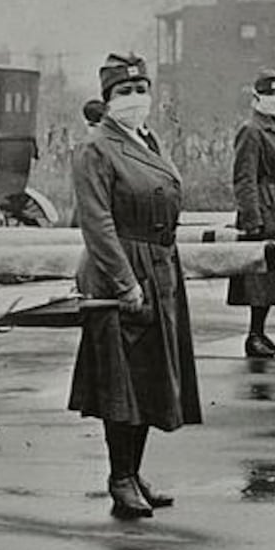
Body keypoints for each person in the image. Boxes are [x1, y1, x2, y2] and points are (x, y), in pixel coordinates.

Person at [69, 52, 201, 519]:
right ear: (107, 99)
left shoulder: (147, 140)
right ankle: (119, 477)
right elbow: (97, 223)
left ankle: (134, 471)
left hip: (158, 265)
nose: (135, 98)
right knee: (121, 383)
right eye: (124, 91)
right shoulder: (96, 148)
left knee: (148, 377)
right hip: (121, 270)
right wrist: (125, 283)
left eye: (141, 89)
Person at [228, 68, 275, 358]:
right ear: (256, 97)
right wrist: (252, 218)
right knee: (259, 279)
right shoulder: (251, 130)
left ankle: (260, 333)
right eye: (268, 94)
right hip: (264, 209)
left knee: (271, 278)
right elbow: (245, 178)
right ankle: (254, 335)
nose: (274, 99)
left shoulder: (273, 128)